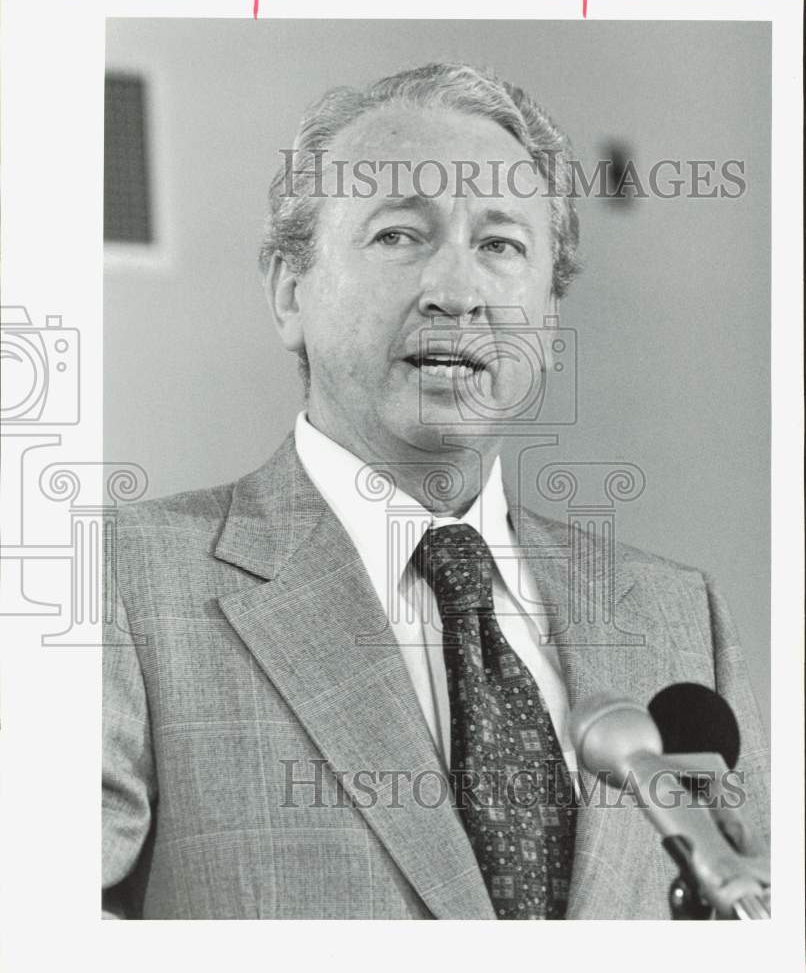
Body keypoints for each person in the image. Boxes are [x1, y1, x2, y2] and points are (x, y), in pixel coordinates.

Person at [102, 62, 769, 920]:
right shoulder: (122, 584)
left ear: (548, 317)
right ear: (288, 291)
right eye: (398, 236)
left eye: (501, 245)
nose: (458, 295)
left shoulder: (681, 618)